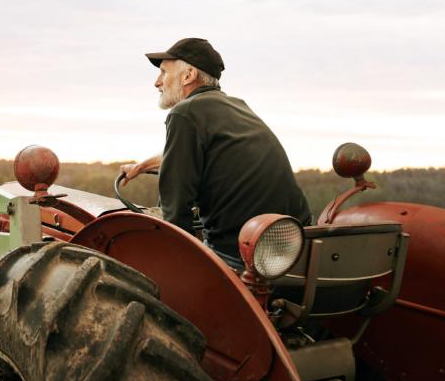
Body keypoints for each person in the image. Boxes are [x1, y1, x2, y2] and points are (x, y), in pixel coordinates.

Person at [121, 38, 311, 270]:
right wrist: (140, 167)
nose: (157, 82)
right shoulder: (234, 106)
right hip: (294, 242)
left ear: (188, 75)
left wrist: (178, 257)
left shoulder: (185, 113)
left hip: (241, 251)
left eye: (163, 73)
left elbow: (176, 204)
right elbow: (186, 157)